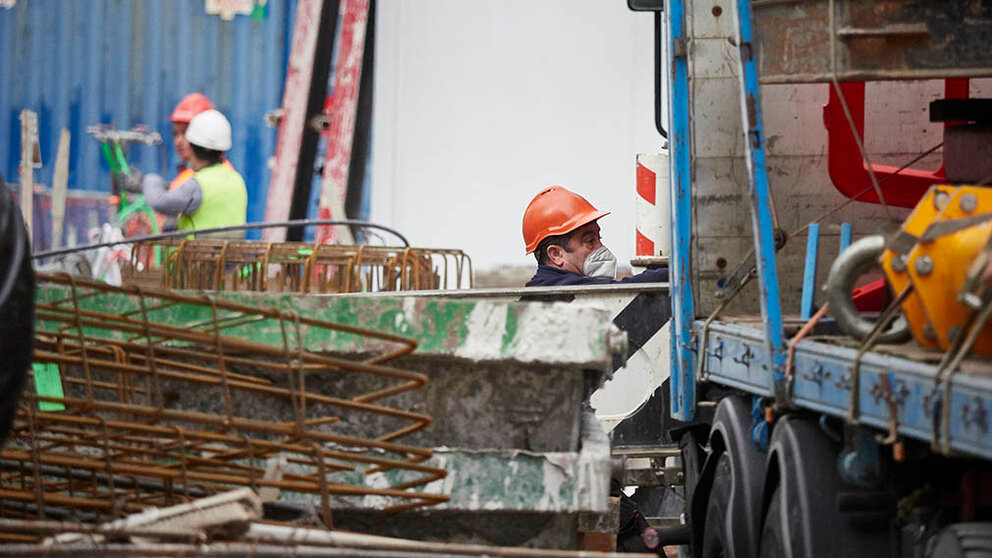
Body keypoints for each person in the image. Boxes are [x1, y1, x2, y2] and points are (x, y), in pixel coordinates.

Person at [124, 109, 247, 239]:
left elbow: (160, 201)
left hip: (198, 257)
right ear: (223, 150)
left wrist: (149, 180)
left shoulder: (198, 185)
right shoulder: (237, 179)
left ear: (191, 147)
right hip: (230, 257)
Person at [522, 186, 669, 287]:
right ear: (556, 254)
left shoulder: (540, 290)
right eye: (590, 241)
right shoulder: (563, 291)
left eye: (599, 238)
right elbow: (627, 289)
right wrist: (679, 271)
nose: (600, 247)